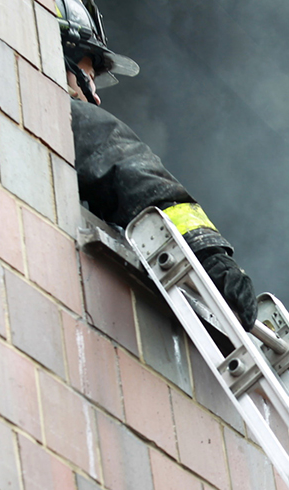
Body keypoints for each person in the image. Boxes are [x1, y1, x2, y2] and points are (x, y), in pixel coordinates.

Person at [55, 0, 257, 330]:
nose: (95, 96)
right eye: (89, 77)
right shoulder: (65, 114)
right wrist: (208, 256)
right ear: (59, 55)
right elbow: (131, 171)